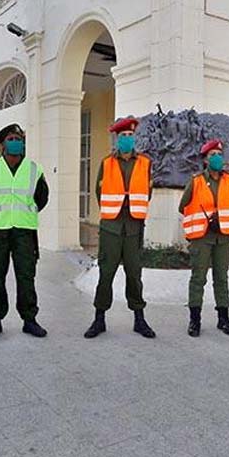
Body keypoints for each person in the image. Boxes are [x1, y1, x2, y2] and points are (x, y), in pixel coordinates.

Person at [84, 116, 156, 339]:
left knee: (134, 274)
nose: (127, 139)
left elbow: (148, 192)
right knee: (106, 274)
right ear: (117, 139)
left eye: (130, 136)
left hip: (134, 227)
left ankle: (139, 319)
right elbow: (99, 193)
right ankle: (99, 319)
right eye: (123, 136)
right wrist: (113, 212)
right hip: (111, 228)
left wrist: (133, 208)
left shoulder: (145, 162)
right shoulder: (107, 163)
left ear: (134, 138)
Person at [0, 123, 49, 339]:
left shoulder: (34, 169)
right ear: (3, 144)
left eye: (18, 139)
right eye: (11, 139)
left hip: (24, 231)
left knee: (26, 276)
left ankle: (29, 320)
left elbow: (42, 198)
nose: (16, 142)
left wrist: (25, 214)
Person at [179, 139, 229, 337]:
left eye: (219, 154)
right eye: (212, 155)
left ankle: (224, 319)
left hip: (223, 238)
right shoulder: (196, 181)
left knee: (222, 278)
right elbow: (183, 206)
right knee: (198, 279)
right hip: (202, 238)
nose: (217, 158)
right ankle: (194, 321)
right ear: (205, 160)